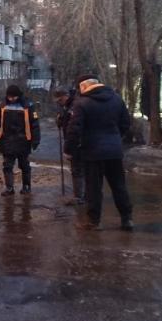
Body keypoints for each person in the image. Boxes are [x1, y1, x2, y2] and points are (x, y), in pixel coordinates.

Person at [65, 76, 133, 231]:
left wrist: (69, 149)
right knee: (119, 186)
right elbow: (125, 124)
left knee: (94, 188)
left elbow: (74, 129)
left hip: (92, 151)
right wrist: (115, 138)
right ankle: (127, 218)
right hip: (114, 151)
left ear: (83, 87)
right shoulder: (116, 99)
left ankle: (94, 221)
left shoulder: (82, 104)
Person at [0, 85, 41, 196]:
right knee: (7, 166)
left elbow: (35, 124)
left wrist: (36, 140)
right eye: (10, 97)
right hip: (7, 141)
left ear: (18, 96)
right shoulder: (2, 105)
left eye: (14, 97)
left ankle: (26, 187)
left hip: (23, 141)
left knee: (24, 165)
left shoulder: (28, 106)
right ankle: (9, 188)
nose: (11, 99)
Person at [54, 85, 87, 205]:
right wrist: (60, 121)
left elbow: (74, 128)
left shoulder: (74, 106)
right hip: (76, 142)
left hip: (78, 143)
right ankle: (82, 195)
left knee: (78, 169)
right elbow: (67, 123)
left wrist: (68, 148)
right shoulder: (68, 106)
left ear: (66, 96)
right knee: (79, 169)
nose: (59, 103)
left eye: (60, 100)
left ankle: (80, 197)